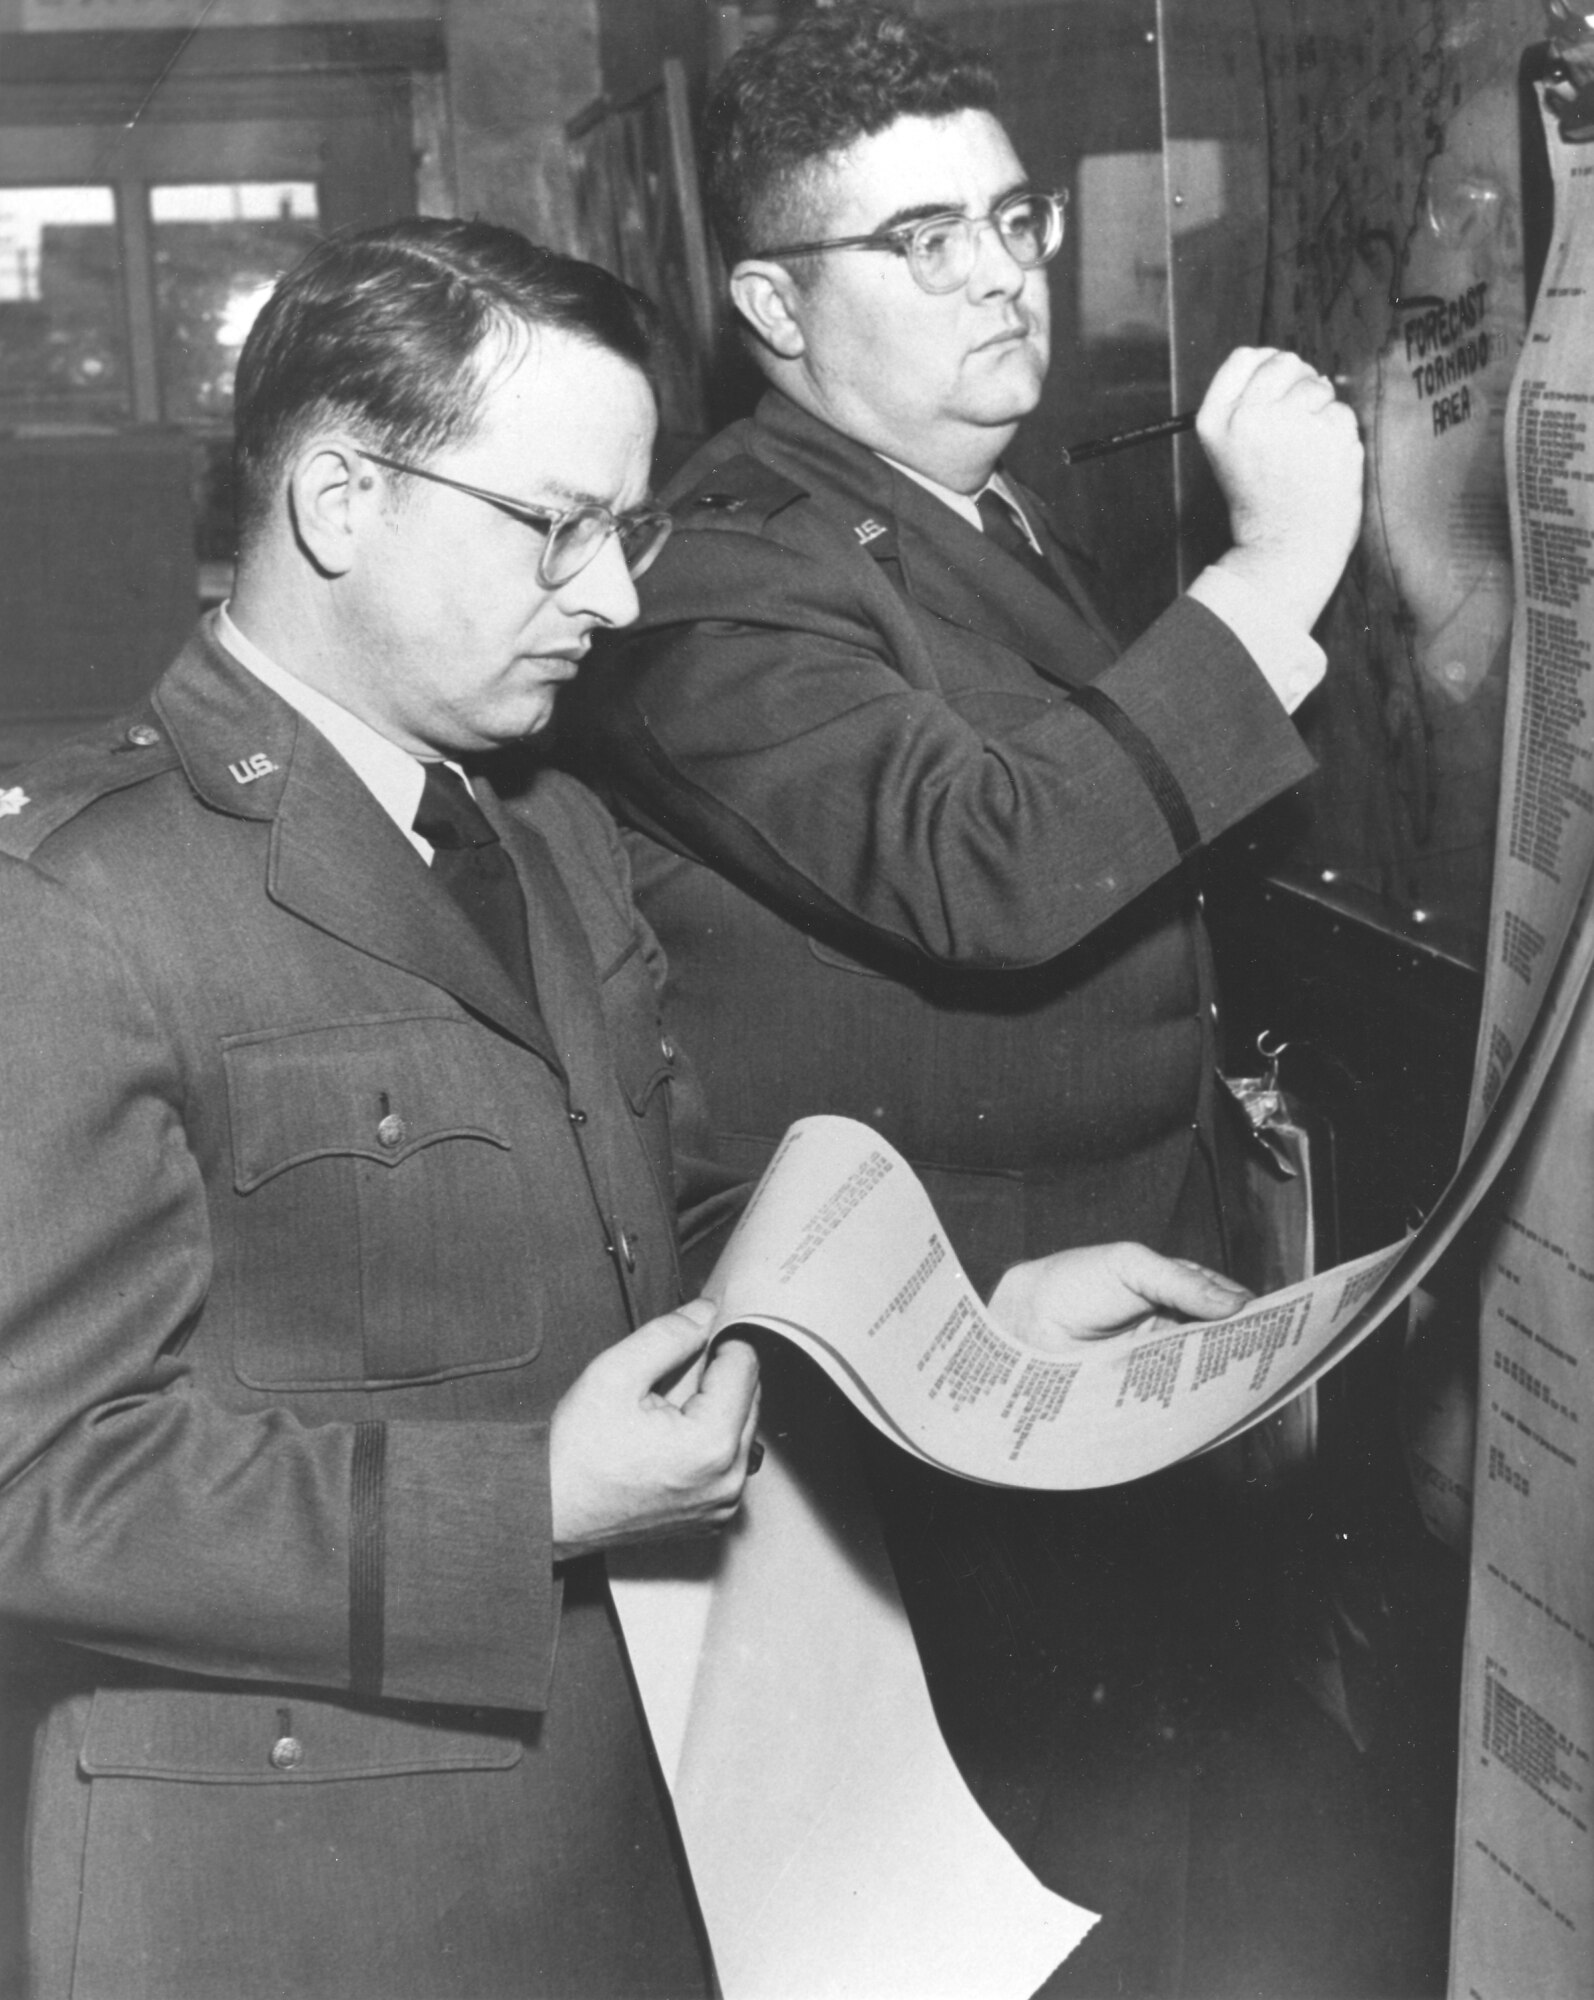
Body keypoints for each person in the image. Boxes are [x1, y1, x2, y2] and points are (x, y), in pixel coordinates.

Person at [0, 217, 1252, 2000]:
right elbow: (33, 1480)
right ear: (342, 503)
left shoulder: (543, 835)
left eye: (628, 527)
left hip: (621, 1835)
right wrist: (527, 1503)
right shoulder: (75, 904)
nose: (615, 595)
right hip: (286, 1898)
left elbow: (654, 1234)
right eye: (555, 527)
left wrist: (970, 1320)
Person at [562, 6, 1366, 1990]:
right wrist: (1274, 580)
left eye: (1010, 216)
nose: (1005, 271)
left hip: (1091, 1363)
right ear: (769, 298)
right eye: (922, 240)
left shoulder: (995, 516)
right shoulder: (716, 574)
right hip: (911, 1446)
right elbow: (994, 858)